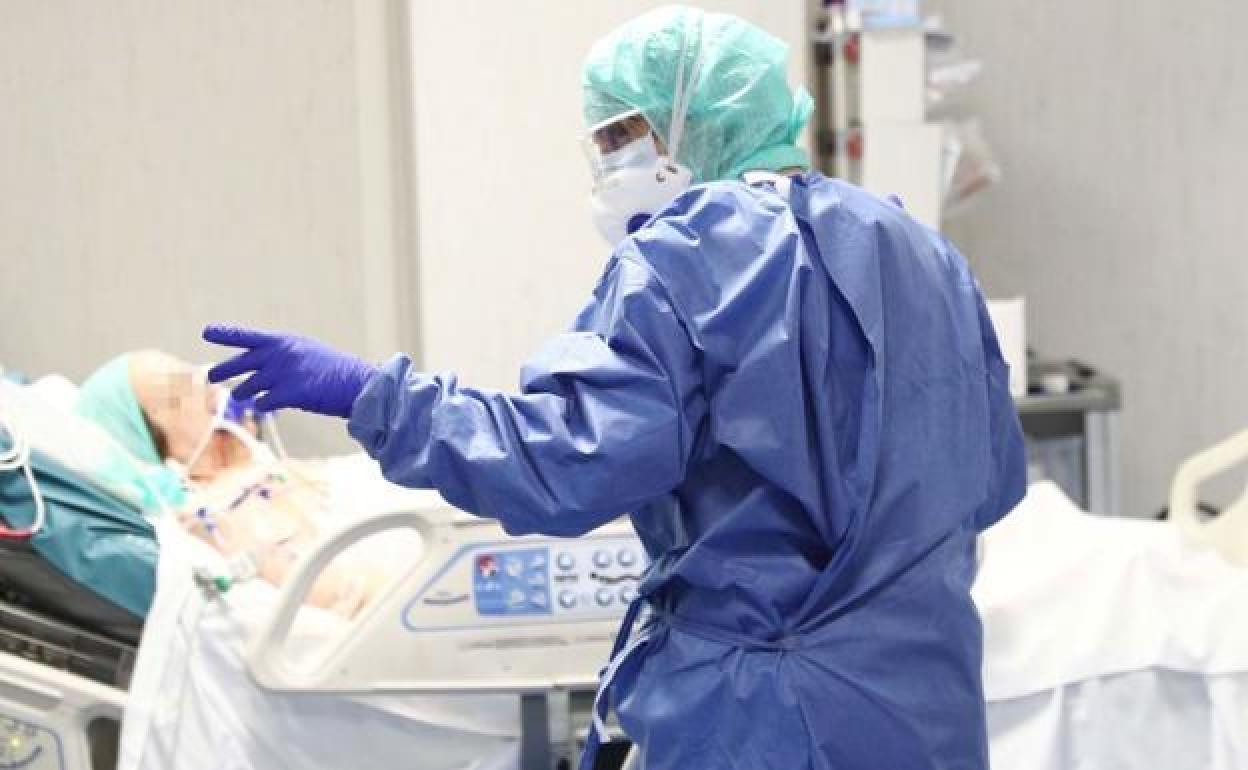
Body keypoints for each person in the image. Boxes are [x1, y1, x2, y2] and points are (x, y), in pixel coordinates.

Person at [203, 6, 1026, 769]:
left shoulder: (690, 257)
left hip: (762, 721)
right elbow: (990, 481)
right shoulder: (925, 255)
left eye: (618, 136)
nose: (606, 164)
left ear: (686, 125)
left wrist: (371, 395)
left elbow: (563, 464)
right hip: (923, 713)